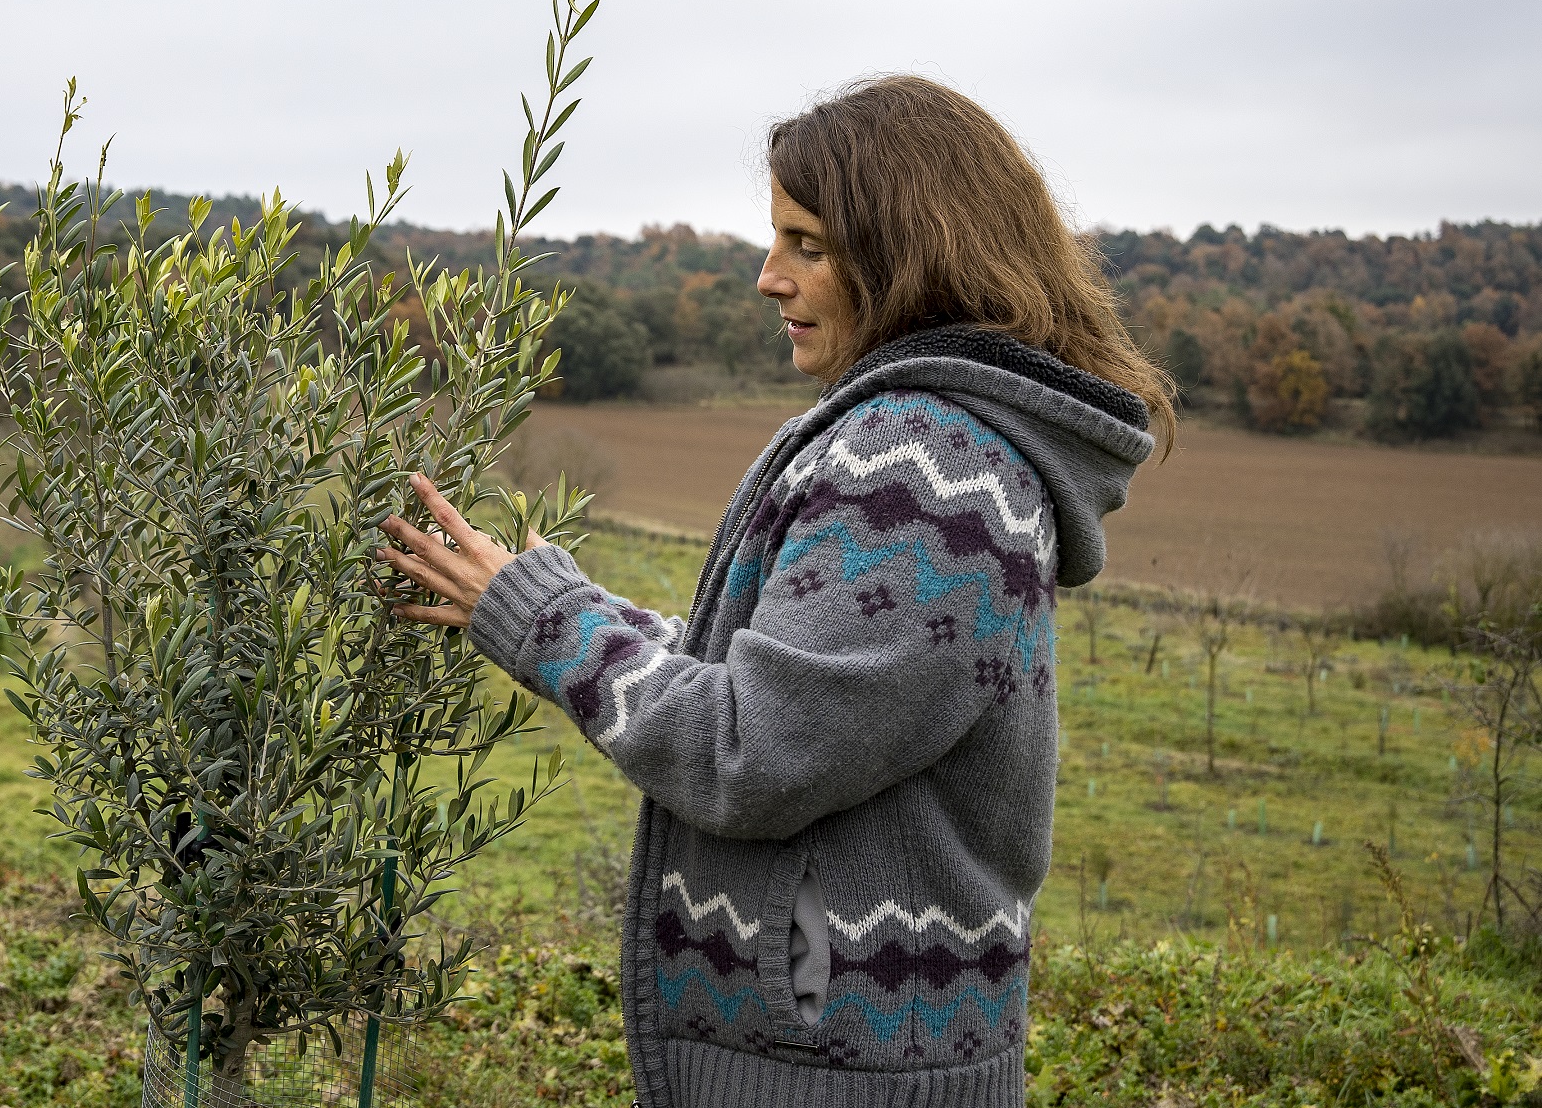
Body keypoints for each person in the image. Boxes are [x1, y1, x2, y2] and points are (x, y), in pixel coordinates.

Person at [377, 74, 1173, 1108]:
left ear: (908, 251)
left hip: (831, 1070)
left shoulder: (923, 470)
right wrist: (552, 598)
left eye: (806, 243)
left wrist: (544, 622)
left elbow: (749, 750)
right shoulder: (932, 445)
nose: (766, 276)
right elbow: (787, 681)